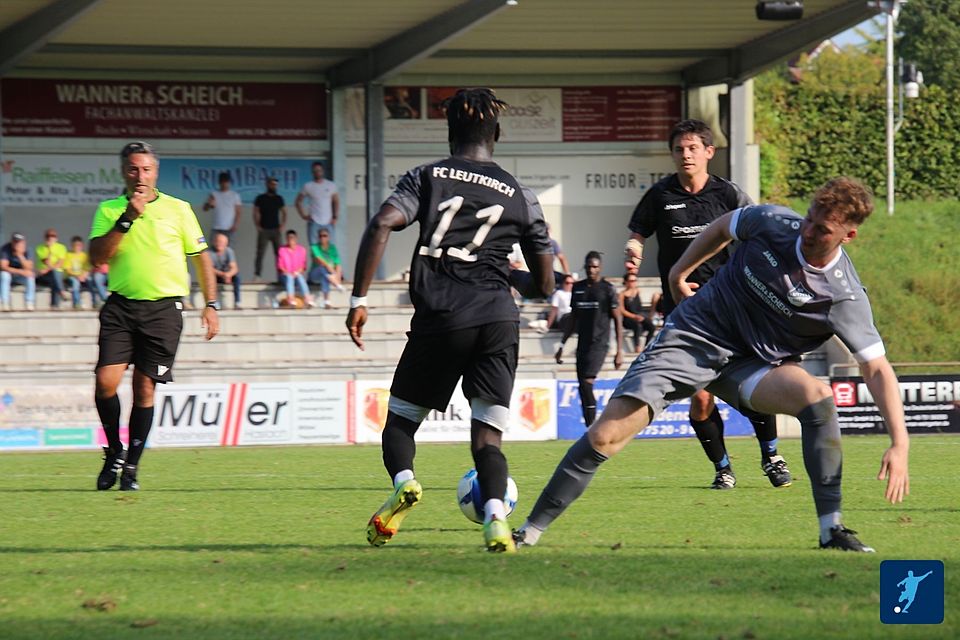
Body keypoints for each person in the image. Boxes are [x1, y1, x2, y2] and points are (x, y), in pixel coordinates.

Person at [515, 177, 910, 553]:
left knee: (818, 396)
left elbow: (876, 369)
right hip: (694, 337)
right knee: (605, 437)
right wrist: (678, 272)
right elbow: (724, 227)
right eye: (808, 218)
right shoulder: (773, 222)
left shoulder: (843, 296)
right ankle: (528, 532)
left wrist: (900, 442)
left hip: (753, 366)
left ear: (848, 235)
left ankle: (831, 529)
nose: (807, 231)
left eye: (821, 229)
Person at [346, 88, 554, 553]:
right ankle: (497, 518)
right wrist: (512, 277)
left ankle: (405, 482)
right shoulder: (523, 196)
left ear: (449, 132)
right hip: (499, 319)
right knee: (487, 439)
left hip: (441, 317)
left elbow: (382, 223)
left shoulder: (427, 177)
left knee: (400, 423)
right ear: (496, 134)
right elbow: (545, 284)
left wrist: (359, 298)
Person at [626, 118, 791, 490]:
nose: (685, 155)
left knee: (755, 385)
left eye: (692, 148)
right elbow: (638, 231)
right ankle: (723, 468)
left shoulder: (728, 195)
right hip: (683, 312)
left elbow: (758, 229)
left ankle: (772, 456)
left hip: (732, 307)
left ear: (708, 153)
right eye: (679, 149)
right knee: (700, 399)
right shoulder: (659, 196)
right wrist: (632, 252)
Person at [89, 141, 219, 492]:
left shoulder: (179, 209)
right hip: (121, 306)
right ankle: (114, 450)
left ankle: (131, 466)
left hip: (163, 310)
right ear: (123, 172)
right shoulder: (109, 209)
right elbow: (97, 258)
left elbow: (201, 257)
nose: (140, 175)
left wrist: (212, 303)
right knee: (106, 382)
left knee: (144, 387)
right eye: (133, 169)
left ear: (156, 172)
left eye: (146, 169)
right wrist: (128, 218)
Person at [556, 251, 624, 428]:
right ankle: (589, 430)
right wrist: (562, 345)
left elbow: (617, 319)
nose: (591, 270)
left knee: (587, 383)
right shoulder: (577, 288)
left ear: (599, 268)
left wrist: (619, 351)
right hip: (582, 344)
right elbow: (572, 319)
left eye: (594, 267)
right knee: (581, 387)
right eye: (588, 267)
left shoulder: (607, 289)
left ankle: (593, 427)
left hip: (599, 344)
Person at [296, 162, 339, 244]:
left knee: (331, 246)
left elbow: (336, 201)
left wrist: (335, 217)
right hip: (314, 221)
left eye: (319, 170)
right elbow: (298, 201)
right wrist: (303, 216)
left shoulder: (331, 185)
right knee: (314, 246)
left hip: (328, 221)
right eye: (315, 171)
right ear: (312, 172)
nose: (317, 172)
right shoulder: (308, 186)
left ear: (323, 171)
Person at [253, 176, 286, 282]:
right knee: (260, 253)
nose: (273, 186)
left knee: (279, 254)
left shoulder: (279, 198)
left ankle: (281, 276)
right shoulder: (261, 198)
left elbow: (284, 212)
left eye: (275, 184)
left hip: (276, 230)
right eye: (271, 184)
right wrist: (257, 226)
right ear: (267, 184)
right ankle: (257, 275)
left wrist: (282, 225)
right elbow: (255, 212)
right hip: (264, 230)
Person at [620, 272, 655, 352]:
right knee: (637, 325)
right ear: (626, 282)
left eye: (635, 281)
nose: (633, 283)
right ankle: (637, 347)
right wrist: (634, 316)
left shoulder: (637, 291)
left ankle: (647, 346)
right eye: (631, 281)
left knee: (651, 326)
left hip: (639, 315)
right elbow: (622, 310)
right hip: (629, 318)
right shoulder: (622, 295)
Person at [0, 232, 36, 311]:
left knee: (31, 276)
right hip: (11, 274)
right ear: (12, 241)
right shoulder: (5, 249)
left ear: (23, 242)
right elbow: (3, 266)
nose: (16, 244)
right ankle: (4, 303)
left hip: (21, 276)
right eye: (15, 242)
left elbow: (29, 268)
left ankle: (29, 302)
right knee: (4, 275)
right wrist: (20, 271)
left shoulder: (28, 250)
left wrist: (20, 255)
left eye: (19, 242)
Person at [309, 228, 344, 308]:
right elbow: (319, 260)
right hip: (315, 275)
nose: (322, 238)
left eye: (324, 236)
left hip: (327, 275)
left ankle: (327, 301)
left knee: (325, 277)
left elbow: (338, 264)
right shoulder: (314, 247)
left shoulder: (332, 248)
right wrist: (332, 273)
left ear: (328, 237)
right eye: (320, 236)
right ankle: (336, 285)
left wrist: (337, 277)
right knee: (322, 268)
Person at [277, 229, 313, 307]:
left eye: (292, 237)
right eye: (288, 238)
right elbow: (280, 266)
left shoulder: (301, 250)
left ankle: (308, 299)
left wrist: (296, 272)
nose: (290, 239)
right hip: (285, 276)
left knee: (300, 277)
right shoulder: (282, 250)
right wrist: (288, 273)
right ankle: (291, 299)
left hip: (296, 275)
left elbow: (303, 266)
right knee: (289, 277)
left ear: (296, 238)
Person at [202, 171, 242, 241]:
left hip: (229, 228)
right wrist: (209, 204)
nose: (224, 184)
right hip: (216, 227)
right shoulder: (213, 194)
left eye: (226, 182)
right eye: (222, 182)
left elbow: (238, 212)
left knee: (229, 250)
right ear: (219, 182)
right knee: (213, 250)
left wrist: (235, 225)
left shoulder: (234, 195)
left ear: (229, 182)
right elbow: (205, 209)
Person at [35, 228, 67, 310]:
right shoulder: (40, 248)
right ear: (45, 238)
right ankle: (60, 293)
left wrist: (50, 269)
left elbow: (60, 263)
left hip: (56, 274)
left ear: (56, 238)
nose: (50, 238)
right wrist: (49, 249)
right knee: (54, 276)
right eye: (48, 236)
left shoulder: (61, 247)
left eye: (53, 236)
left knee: (54, 277)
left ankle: (54, 305)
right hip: (44, 275)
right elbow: (46, 262)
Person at [210, 232, 241, 309]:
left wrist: (228, 275)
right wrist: (223, 274)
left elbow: (234, 267)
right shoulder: (209, 252)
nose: (220, 244)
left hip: (227, 275)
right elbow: (209, 269)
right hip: (216, 275)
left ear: (226, 243)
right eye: (218, 241)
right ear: (214, 242)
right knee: (210, 278)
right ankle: (214, 302)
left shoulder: (229, 251)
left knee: (237, 277)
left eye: (222, 242)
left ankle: (237, 302)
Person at [64, 236, 94, 309]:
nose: (77, 247)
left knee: (90, 281)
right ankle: (77, 303)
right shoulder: (68, 255)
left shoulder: (85, 256)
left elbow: (88, 268)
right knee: (75, 283)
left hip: (82, 277)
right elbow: (67, 269)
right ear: (72, 246)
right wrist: (77, 276)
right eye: (75, 245)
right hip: (71, 277)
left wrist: (84, 275)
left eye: (79, 245)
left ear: (82, 246)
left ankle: (95, 302)